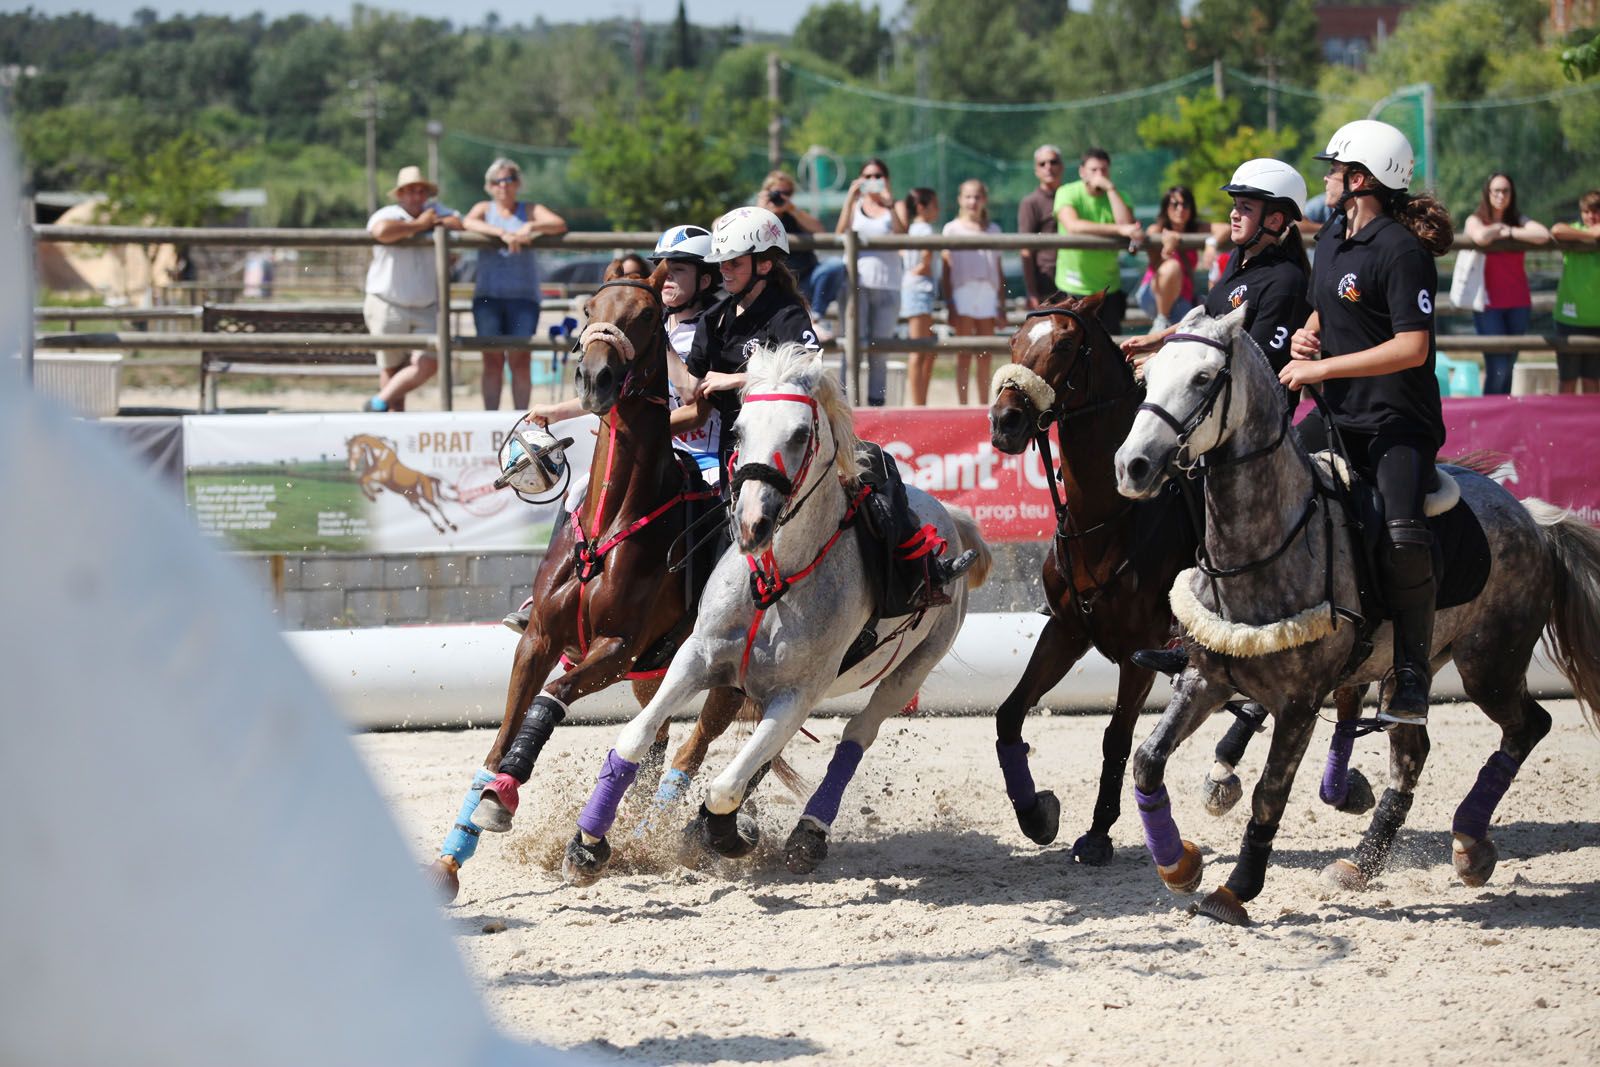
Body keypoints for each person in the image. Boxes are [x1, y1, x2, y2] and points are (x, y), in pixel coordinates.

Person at [693, 206, 975, 608]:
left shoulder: (786, 315)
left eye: (734, 262)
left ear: (764, 264)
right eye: (721, 263)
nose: (724, 271)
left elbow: (809, 368)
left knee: (879, 474)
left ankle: (919, 573)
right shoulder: (714, 319)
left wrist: (735, 380)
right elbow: (690, 384)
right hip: (731, 449)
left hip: (790, 450)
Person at [1284, 119, 1455, 727]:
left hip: (1396, 424)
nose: (1326, 177)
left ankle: (1409, 674)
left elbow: (1411, 347)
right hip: (1336, 418)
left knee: (1404, 536)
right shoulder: (1332, 237)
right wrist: (1309, 335)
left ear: (1360, 180)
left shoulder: (1402, 251)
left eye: (1334, 169)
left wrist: (1323, 368)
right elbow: (1324, 306)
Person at [504, 224, 723, 633]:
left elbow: (697, 409)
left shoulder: (713, 331)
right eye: (663, 268)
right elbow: (617, 398)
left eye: (678, 271)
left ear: (705, 280)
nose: (665, 277)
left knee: (717, 514)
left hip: (703, 457)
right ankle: (548, 593)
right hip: (648, 453)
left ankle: (713, 607)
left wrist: (664, 349)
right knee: (580, 491)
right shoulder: (643, 326)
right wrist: (556, 412)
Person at [1123, 159, 1311, 383]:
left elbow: (1254, 367)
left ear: (1274, 220)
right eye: (1235, 205)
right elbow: (1208, 317)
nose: (1233, 214)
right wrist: (1158, 339)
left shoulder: (1286, 281)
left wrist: (1165, 362)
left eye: (1246, 208)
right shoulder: (1237, 259)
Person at [461, 157, 567, 412]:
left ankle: (521, 416)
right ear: (489, 186)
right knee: (492, 361)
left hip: (523, 297)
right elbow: (467, 222)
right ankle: (491, 417)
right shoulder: (484, 209)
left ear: (517, 183)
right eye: (497, 181)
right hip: (488, 296)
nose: (503, 186)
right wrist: (501, 233)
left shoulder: (529, 209)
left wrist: (530, 226)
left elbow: (558, 223)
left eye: (508, 179)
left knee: (520, 359)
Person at [361, 165, 464, 412]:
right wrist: (420, 226)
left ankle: (379, 402)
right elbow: (381, 231)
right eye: (410, 191)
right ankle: (392, 424)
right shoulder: (387, 214)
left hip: (426, 304)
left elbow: (459, 223)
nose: (416, 196)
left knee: (429, 363)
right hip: (388, 301)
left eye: (420, 191)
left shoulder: (436, 212)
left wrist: (432, 222)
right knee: (391, 368)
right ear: (400, 195)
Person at [1464, 173, 1550, 394]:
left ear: (1512, 194)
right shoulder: (1476, 218)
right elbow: (1481, 236)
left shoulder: (1518, 219)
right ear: (1488, 193)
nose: (1501, 195)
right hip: (1488, 304)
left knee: (1508, 365)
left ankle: (1504, 417)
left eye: (1506, 190)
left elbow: (1543, 234)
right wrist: (1497, 229)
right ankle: (1490, 419)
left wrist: (1510, 231)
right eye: (1496, 191)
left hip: (1519, 303)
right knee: (1497, 367)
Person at [835, 157, 905, 405]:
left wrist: (891, 202)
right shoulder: (855, 206)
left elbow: (902, 234)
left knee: (880, 349)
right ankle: (844, 403)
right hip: (855, 285)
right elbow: (840, 232)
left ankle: (877, 404)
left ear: (886, 179)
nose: (873, 181)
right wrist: (850, 198)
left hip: (888, 284)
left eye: (878, 176)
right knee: (851, 347)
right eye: (868, 176)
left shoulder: (895, 205)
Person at [1054, 147, 1143, 336]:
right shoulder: (1066, 192)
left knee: (1108, 349)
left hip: (1108, 289)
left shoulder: (1119, 195)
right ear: (1082, 172)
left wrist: (1110, 189)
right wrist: (1118, 230)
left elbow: (1128, 227)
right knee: (1071, 348)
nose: (1099, 175)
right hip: (1073, 287)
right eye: (1094, 170)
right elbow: (1073, 226)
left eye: (1104, 170)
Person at [942, 179, 1005, 405]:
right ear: (960, 199)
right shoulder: (951, 228)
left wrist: (1001, 304)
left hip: (987, 293)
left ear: (984, 199)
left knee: (986, 354)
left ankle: (982, 403)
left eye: (977, 196)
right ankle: (962, 403)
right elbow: (946, 270)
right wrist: (949, 302)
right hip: (963, 293)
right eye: (968, 196)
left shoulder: (994, 230)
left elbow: (998, 268)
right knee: (964, 352)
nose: (972, 201)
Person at [1133, 185, 1214, 331]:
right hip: (1154, 295)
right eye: (1175, 204)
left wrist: (1211, 243)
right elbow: (1156, 263)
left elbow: (1225, 228)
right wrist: (1168, 249)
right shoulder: (1156, 230)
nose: (1180, 209)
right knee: (1172, 266)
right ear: (1166, 207)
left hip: (1183, 300)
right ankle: (1161, 320)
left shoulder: (1196, 228)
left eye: (1185, 205)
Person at [1551, 189, 1600, 394]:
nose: (1591, 216)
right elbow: (1556, 230)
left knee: (1592, 383)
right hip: (1569, 318)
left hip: (1597, 320)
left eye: (1596, 212)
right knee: (1567, 381)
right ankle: (1564, 426)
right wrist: (1591, 235)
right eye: (1587, 212)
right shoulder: (1574, 230)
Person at [898, 188, 940, 406]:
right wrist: (917, 271)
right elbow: (925, 263)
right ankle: (918, 403)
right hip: (919, 290)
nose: (938, 209)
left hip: (914, 289)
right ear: (922, 207)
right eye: (934, 204)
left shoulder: (911, 229)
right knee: (919, 350)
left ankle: (920, 400)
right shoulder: (925, 230)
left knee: (927, 348)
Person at [756, 169, 826, 295]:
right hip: (773, 280)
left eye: (787, 193)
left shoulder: (795, 214)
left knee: (834, 266)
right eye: (777, 193)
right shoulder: (757, 215)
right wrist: (761, 209)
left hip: (805, 276)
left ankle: (817, 313)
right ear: (767, 192)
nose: (782, 197)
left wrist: (792, 209)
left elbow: (820, 230)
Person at [1018, 144, 1064, 309]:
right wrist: (1031, 291)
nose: (1048, 167)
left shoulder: (1071, 197)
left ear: (1062, 166)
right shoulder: (1031, 202)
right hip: (1046, 281)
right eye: (1042, 164)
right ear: (1036, 170)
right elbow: (1026, 249)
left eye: (1053, 162)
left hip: (1075, 279)